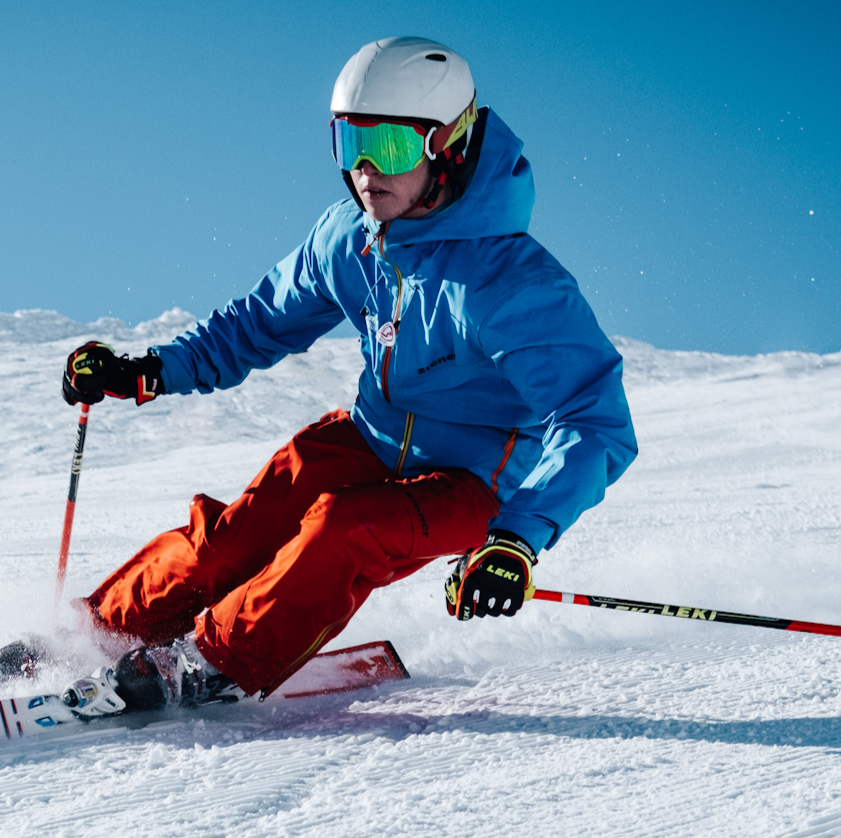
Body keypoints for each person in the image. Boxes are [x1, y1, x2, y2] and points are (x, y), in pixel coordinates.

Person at [54, 36, 637, 715]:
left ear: (445, 145)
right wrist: (149, 369)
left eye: (387, 147)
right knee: (236, 536)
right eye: (347, 144)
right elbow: (257, 323)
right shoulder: (348, 237)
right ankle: (92, 633)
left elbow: (593, 422)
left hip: (475, 482)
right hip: (369, 437)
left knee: (345, 526)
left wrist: (516, 539)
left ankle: (210, 663)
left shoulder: (509, 283)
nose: (363, 170)